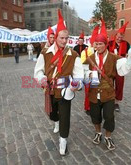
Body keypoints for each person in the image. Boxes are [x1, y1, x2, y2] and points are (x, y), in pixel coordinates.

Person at [34, 9, 84, 156]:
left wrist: (76, 85)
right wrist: (42, 79)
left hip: (65, 91)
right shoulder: (45, 53)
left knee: (65, 116)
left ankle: (63, 139)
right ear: (56, 37)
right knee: (52, 114)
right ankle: (55, 121)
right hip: (50, 89)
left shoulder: (73, 54)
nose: (64, 41)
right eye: (61, 38)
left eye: (66, 38)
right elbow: (38, 71)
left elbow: (79, 75)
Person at [83, 20, 131, 150]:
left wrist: (130, 59)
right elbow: (82, 72)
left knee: (109, 117)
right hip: (94, 93)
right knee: (95, 117)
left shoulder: (114, 57)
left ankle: (108, 136)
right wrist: (88, 75)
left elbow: (126, 65)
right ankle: (98, 133)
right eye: (96, 44)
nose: (98, 46)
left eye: (101, 44)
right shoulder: (89, 57)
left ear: (106, 44)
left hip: (108, 94)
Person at [108, 22, 130, 112]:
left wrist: (129, 61)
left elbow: (129, 54)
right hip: (111, 67)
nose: (119, 39)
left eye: (121, 37)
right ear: (115, 35)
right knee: (109, 83)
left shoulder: (126, 44)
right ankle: (109, 100)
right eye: (118, 37)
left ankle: (116, 102)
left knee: (119, 85)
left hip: (121, 68)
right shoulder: (109, 43)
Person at [80, 25, 99, 115]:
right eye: (96, 42)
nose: (97, 44)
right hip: (88, 75)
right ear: (92, 42)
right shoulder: (86, 51)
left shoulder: (101, 52)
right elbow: (82, 64)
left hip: (98, 75)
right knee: (88, 92)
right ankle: (88, 107)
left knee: (97, 91)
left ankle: (96, 107)